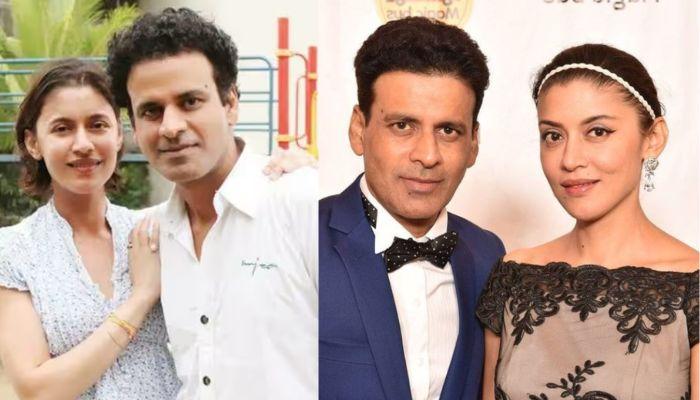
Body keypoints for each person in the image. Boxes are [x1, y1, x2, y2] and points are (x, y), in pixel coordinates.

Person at [107, 8, 318, 399]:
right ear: (134, 126)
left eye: (190, 102)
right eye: (151, 111)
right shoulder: (148, 237)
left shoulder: (302, 204)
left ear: (230, 104)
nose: (170, 127)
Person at [477, 44, 699, 400]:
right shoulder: (513, 276)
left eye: (597, 132)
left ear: (653, 138)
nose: (570, 159)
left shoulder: (692, 285)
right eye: (553, 136)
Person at [319, 17, 505, 400]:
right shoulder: (296, 241)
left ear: (473, 143)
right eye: (403, 126)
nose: (427, 155)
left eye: (448, 130)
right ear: (358, 129)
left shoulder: (489, 255)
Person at [0, 59, 180, 399]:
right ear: (34, 143)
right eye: (62, 128)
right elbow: (37, 390)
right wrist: (141, 297)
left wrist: (284, 169)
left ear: (118, 134)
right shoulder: (14, 252)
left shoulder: (154, 231)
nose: (83, 143)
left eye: (97, 125)